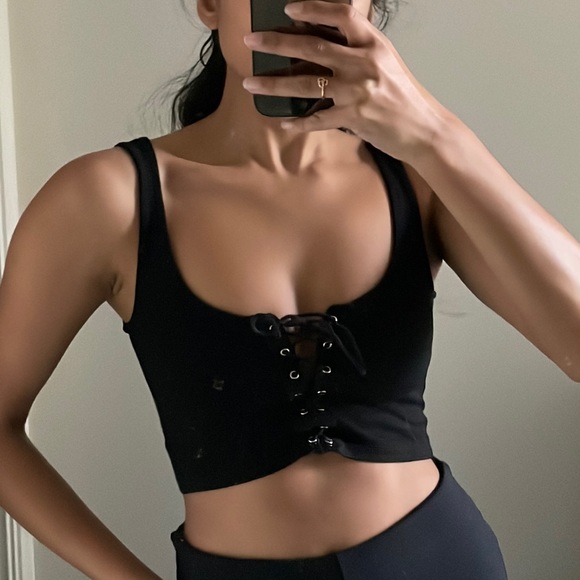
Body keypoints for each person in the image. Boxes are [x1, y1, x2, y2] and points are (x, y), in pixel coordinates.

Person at [0, 0, 579, 578]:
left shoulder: (417, 174)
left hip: (438, 559)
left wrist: (434, 132)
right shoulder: (108, 199)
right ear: (210, 5)